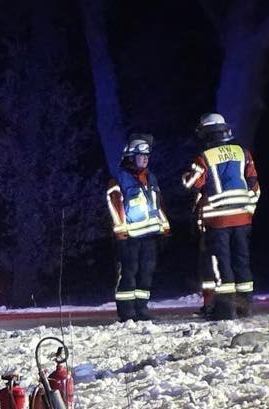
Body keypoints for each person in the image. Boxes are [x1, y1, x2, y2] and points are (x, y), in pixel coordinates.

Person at [182, 113, 260, 320]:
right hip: (243, 219)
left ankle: (226, 310)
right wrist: (248, 210)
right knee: (242, 262)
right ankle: (245, 307)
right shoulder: (243, 153)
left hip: (218, 220)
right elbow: (254, 186)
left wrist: (186, 175)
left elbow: (192, 183)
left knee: (221, 264)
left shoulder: (204, 157)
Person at [104, 134, 170, 322]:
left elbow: (158, 205)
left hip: (150, 235)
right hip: (129, 238)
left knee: (146, 272)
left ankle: (141, 309)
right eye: (142, 156)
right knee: (129, 273)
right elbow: (115, 207)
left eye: (147, 156)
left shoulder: (151, 178)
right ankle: (126, 312)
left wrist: (165, 229)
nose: (145, 159)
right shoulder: (119, 179)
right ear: (131, 157)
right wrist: (121, 235)